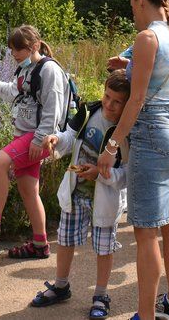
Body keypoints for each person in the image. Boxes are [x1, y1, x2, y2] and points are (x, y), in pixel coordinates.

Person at [96, 0, 169, 320]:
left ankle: (146, 315)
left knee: (146, 232)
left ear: (140, 1)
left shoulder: (147, 37)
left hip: (151, 135)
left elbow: (135, 101)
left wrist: (111, 147)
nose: (133, 13)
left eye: (133, 6)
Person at [31, 70, 131, 319]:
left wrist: (101, 174)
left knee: (104, 248)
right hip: (76, 191)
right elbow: (69, 137)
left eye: (117, 101)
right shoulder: (88, 112)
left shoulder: (127, 131)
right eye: (107, 96)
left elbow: (128, 173)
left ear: (128, 104)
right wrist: (55, 139)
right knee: (65, 240)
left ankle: (100, 294)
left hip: (104, 197)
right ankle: (61, 285)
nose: (109, 104)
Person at [0, 25, 69, 259]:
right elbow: (14, 91)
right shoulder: (26, 70)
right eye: (13, 50)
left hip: (40, 137)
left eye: (20, 50)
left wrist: (39, 140)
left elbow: (53, 108)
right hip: (27, 135)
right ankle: (40, 244)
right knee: (28, 190)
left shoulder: (49, 71)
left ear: (34, 46)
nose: (15, 54)